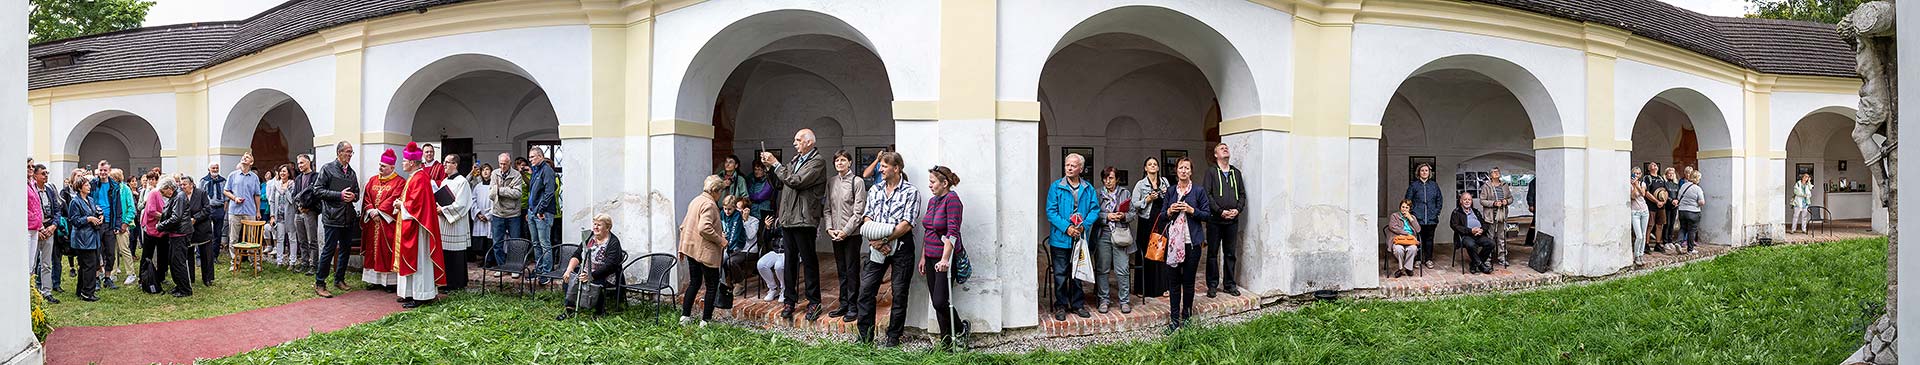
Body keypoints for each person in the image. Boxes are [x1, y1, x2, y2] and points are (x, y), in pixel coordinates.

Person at [759, 129, 832, 322]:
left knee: (808, 262)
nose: (794, 143)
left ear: (809, 142)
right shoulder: (794, 161)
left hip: (804, 219)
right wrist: (769, 168)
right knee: (789, 261)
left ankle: (814, 302)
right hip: (789, 218)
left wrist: (776, 163)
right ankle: (789, 300)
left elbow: (796, 181)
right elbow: (779, 184)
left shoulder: (817, 162)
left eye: (798, 140)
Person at [855, 151, 917, 346]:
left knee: (899, 293)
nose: (880, 169)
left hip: (902, 248)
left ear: (896, 168)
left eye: (884, 166)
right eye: (880, 166)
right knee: (865, 291)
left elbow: (907, 224)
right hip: (876, 247)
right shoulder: (874, 190)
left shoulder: (911, 192)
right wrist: (876, 242)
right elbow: (867, 217)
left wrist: (882, 240)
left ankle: (893, 337)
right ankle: (864, 337)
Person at [1045, 153, 1098, 321]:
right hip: (1060, 239)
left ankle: (1077, 304)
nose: (1069, 168)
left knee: (1077, 272)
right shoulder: (1056, 187)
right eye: (1067, 165)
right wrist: (1067, 228)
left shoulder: (1088, 188)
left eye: (1073, 165)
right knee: (1060, 274)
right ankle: (1061, 305)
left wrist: (1083, 226)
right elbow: (1050, 212)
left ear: (1080, 169)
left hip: (1080, 239)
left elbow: (1094, 210)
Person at [1160, 157, 1211, 333]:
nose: (1183, 171)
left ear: (1191, 171)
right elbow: (1161, 216)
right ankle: (1174, 320)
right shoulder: (1171, 191)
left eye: (1186, 168)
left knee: (1188, 283)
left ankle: (1187, 316)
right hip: (1173, 245)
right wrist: (1169, 211)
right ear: (1176, 171)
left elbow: (1207, 215)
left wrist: (1191, 211)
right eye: (1180, 167)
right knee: (1173, 284)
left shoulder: (1198, 191)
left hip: (1192, 243)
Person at [921, 165, 964, 349]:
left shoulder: (952, 200)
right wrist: (923, 257)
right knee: (938, 303)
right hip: (930, 257)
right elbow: (928, 230)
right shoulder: (933, 201)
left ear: (944, 183)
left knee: (940, 301)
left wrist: (945, 259)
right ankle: (946, 343)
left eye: (932, 182)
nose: (929, 185)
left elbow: (952, 232)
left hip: (944, 259)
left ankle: (961, 328)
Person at [821, 150, 866, 320]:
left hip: (851, 234)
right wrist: (829, 228)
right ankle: (843, 303)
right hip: (835, 233)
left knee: (852, 270)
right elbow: (827, 209)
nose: (839, 163)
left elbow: (859, 212)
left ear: (850, 162)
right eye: (837, 160)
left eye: (843, 160)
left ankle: (854, 306)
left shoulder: (857, 181)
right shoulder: (831, 182)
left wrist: (845, 232)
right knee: (841, 270)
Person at [678, 175, 728, 326]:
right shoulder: (709, 204)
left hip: (691, 249)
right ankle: (706, 321)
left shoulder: (696, 200)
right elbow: (704, 228)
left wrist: (682, 247)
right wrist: (721, 240)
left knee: (694, 282)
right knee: (712, 285)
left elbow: (684, 225)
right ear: (714, 191)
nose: (720, 196)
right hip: (705, 251)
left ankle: (685, 317)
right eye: (720, 192)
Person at [312, 142, 361, 298]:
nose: (350, 155)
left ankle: (339, 279)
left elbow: (357, 193)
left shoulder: (351, 173)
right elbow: (317, 190)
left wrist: (354, 197)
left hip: (348, 217)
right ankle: (320, 283)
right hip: (332, 217)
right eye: (347, 152)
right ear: (339, 152)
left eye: (351, 152)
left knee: (345, 250)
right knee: (329, 250)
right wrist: (338, 195)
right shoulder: (327, 169)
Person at [556, 213, 626, 320]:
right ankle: (569, 309)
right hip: (586, 270)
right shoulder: (589, 237)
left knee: (595, 283)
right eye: (594, 224)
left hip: (605, 274)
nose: (595, 227)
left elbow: (610, 266)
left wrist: (591, 276)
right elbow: (577, 254)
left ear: (607, 228)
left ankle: (599, 312)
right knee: (571, 278)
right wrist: (569, 270)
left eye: (599, 225)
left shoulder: (613, 242)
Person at [1201, 143, 1246, 297]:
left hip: (1232, 221)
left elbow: (1242, 194)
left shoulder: (1236, 173)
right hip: (1215, 220)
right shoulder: (1211, 172)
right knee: (1213, 253)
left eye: (1227, 147)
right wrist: (1220, 211)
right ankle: (1212, 285)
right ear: (1215, 155)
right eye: (1221, 148)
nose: (1225, 149)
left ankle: (1229, 284)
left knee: (1230, 254)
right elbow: (1208, 195)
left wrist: (1237, 210)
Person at [361, 149, 405, 290]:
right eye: (380, 165)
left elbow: (395, 198)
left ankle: (390, 282)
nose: (380, 168)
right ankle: (374, 280)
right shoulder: (373, 180)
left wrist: (379, 212)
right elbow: (367, 196)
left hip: (387, 223)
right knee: (372, 252)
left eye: (383, 166)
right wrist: (370, 211)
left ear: (392, 167)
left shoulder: (399, 182)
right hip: (373, 222)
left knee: (387, 252)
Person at [163, 175, 210, 297]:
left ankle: (206, 279)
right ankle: (187, 281)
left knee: (204, 255)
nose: (182, 186)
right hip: (185, 230)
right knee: (183, 258)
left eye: (185, 184)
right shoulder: (180, 195)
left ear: (192, 184)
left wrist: (195, 218)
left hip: (198, 228)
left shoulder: (201, 193)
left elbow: (207, 209)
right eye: (181, 185)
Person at [1094, 167, 1132, 313]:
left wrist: (1123, 216)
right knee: (1102, 268)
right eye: (1105, 178)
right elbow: (1093, 213)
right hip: (1103, 234)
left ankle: (1124, 301)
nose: (1107, 181)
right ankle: (1104, 299)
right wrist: (1107, 217)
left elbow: (1132, 213)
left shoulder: (1125, 193)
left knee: (1122, 269)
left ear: (1117, 179)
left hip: (1120, 233)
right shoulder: (1097, 193)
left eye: (1110, 178)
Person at [1130, 157, 1170, 298]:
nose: (1153, 166)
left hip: (1162, 221)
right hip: (1146, 222)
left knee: (1161, 252)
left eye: (1155, 164)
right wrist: (1147, 200)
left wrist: (1165, 194)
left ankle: (1163, 287)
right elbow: (1133, 204)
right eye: (1149, 164)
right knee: (1147, 253)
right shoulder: (1140, 184)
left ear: (1158, 168)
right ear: (1145, 168)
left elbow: (1170, 199)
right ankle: (1143, 288)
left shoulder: (1164, 182)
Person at [89, 162, 130, 290]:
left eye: (105, 170)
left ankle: (107, 278)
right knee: (96, 251)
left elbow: (118, 208)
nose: (102, 173)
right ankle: (96, 278)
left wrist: (118, 224)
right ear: (98, 170)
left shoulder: (115, 186)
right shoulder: (93, 184)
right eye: (101, 170)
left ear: (109, 171)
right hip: (97, 223)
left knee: (111, 253)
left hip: (110, 223)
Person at [66, 175, 106, 302]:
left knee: (87, 265)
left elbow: (95, 211)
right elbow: (74, 220)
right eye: (86, 185)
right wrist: (88, 219)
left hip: (93, 236)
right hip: (83, 239)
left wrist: (100, 217)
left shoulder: (90, 199)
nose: (89, 186)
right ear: (79, 187)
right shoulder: (75, 201)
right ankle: (88, 292)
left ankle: (81, 290)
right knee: (89, 265)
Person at [437, 154, 472, 291]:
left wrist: (443, 210)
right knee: (445, 254)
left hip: (456, 224)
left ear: (455, 164)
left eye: (447, 162)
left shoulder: (462, 181)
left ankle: (457, 283)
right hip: (444, 223)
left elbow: (462, 204)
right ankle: (446, 282)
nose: (444, 165)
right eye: (444, 162)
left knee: (456, 255)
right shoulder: (445, 181)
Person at [488, 152, 526, 274]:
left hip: (513, 213)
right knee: (497, 242)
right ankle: (502, 266)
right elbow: (491, 194)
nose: (502, 166)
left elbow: (517, 193)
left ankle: (514, 267)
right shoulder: (495, 173)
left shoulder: (517, 175)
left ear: (510, 163)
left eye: (505, 164)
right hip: (498, 212)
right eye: (500, 164)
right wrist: (507, 190)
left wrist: (500, 190)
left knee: (515, 242)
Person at [526, 147, 559, 281]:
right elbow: (533, 193)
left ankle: (546, 272)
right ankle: (539, 270)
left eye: (532, 157)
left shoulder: (547, 171)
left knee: (544, 243)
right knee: (535, 243)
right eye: (529, 157)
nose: (530, 160)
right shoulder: (536, 171)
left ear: (540, 156)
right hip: (533, 212)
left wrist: (540, 210)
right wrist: (530, 209)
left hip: (543, 213)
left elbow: (549, 193)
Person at [139, 176, 176, 294]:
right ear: (165, 187)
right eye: (170, 189)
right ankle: (143, 278)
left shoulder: (167, 196)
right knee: (147, 255)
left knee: (163, 255)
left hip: (163, 230)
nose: (171, 192)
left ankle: (160, 277)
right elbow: (151, 211)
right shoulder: (154, 193)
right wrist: (165, 218)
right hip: (151, 229)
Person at [27, 163, 56, 303]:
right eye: (43, 173)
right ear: (36, 175)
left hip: (49, 229)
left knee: (46, 263)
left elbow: (57, 209)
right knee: (31, 263)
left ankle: (47, 291)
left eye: (47, 173)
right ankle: (32, 291)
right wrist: (39, 228)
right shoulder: (32, 189)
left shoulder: (50, 190)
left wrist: (53, 226)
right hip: (35, 229)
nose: (45, 176)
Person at [1404, 163, 1443, 268]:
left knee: (1429, 240)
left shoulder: (1434, 185)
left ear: (1429, 173)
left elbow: (1439, 200)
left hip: (1431, 219)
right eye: (1422, 170)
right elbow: (1408, 200)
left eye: (1426, 170)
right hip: (1418, 219)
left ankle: (1429, 259)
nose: (1424, 172)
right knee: (1418, 239)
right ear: (1418, 172)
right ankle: (1418, 259)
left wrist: (1436, 212)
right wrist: (1413, 213)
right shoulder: (1414, 185)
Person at [1449, 192, 1497, 274]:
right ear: (1461, 201)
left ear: (1471, 202)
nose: (1467, 201)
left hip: (1478, 235)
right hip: (1465, 236)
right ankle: (1481, 265)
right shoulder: (1456, 212)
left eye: (1469, 200)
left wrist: (1481, 230)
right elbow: (1455, 226)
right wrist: (1470, 231)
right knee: (1471, 245)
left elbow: (1484, 223)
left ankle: (1474, 264)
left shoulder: (1475, 211)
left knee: (1491, 243)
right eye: (1465, 200)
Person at [1478, 167, 1513, 267]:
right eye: (1493, 172)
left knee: (1501, 237)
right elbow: (1482, 200)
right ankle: (1487, 259)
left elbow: (1511, 198)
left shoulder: (1504, 185)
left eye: (1497, 171)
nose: (1496, 173)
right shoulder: (1486, 186)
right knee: (1490, 237)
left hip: (1502, 215)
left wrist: (1507, 201)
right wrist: (1493, 203)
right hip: (1490, 216)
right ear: (1490, 175)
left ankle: (1502, 258)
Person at [200, 162, 228, 284]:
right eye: (213, 168)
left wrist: (224, 209)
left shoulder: (223, 180)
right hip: (208, 209)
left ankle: (215, 256)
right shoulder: (203, 181)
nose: (215, 169)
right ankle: (200, 257)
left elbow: (226, 196)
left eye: (216, 168)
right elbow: (200, 195)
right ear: (209, 169)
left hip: (219, 209)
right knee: (205, 233)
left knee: (217, 233)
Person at [291, 154, 320, 273]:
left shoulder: (316, 177)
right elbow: (294, 195)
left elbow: (317, 195)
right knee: (302, 240)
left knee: (312, 240)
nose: (300, 165)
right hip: (298, 213)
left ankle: (314, 265)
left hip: (310, 212)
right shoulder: (298, 178)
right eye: (298, 163)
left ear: (309, 162)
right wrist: (299, 206)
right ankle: (304, 263)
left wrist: (308, 207)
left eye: (302, 163)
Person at [268, 164, 295, 267]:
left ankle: (292, 261)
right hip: (278, 216)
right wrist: (272, 215)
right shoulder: (276, 184)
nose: (282, 173)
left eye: (284, 171)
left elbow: (292, 200)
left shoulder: (292, 184)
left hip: (290, 215)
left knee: (292, 238)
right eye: (281, 171)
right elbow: (272, 201)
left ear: (289, 173)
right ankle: (279, 261)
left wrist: (286, 189)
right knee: (280, 238)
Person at [1386, 199, 1421, 278]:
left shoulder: (1412, 217)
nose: (1404, 209)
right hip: (1398, 239)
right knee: (1398, 249)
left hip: (1410, 241)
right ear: (1400, 207)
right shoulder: (1395, 216)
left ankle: (1407, 268)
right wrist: (1407, 234)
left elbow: (1418, 229)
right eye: (1403, 207)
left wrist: (1411, 219)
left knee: (1413, 249)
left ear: (1409, 209)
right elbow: (1393, 227)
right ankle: (1401, 269)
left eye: (1406, 207)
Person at [470, 163, 494, 270]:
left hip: (489, 218)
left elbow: (496, 202)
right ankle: (483, 259)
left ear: (491, 172)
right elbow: (473, 201)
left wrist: (488, 215)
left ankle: (490, 260)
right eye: (483, 170)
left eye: (487, 169)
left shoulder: (494, 186)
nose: (485, 172)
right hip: (480, 217)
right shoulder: (477, 187)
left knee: (489, 239)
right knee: (481, 240)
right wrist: (478, 213)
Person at [1676, 170, 1705, 254]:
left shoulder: (1684, 186)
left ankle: (1678, 242)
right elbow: (1701, 202)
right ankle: (1690, 249)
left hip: (1682, 210)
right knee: (1692, 230)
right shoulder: (1697, 188)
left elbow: (1679, 197)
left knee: (1683, 228)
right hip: (1693, 211)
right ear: (1697, 178)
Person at [1629, 167, 1650, 261]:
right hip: (1635, 212)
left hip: (1645, 211)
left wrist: (1637, 185)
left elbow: (1643, 194)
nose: (1636, 175)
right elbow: (1633, 197)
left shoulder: (1642, 183)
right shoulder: (1629, 185)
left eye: (1638, 173)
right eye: (1635, 173)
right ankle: (1636, 255)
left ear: (1640, 175)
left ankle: (1641, 254)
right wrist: (1633, 186)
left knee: (1643, 234)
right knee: (1639, 236)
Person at [1662, 167, 1683, 248]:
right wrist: (1671, 201)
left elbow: (1679, 194)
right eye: (1669, 173)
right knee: (1667, 223)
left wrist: (1677, 200)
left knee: (1672, 224)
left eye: (1672, 173)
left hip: (1675, 206)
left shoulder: (1676, 184)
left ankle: (1670, 240)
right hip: (1667, 205)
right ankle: (1665, 241)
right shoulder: (1664, 183)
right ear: (1666, 174)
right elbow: (1664, 194)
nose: (1670, 175)